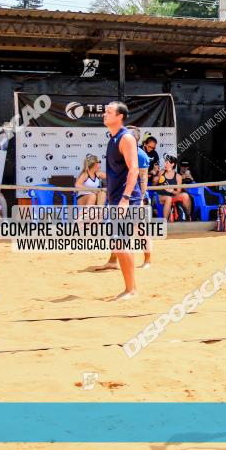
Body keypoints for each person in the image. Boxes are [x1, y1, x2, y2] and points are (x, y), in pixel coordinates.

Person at [102, 101, 142, 301]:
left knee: (121, 242)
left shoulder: (125, 138)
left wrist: (125, 199)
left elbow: (134, 169)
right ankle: (130, 288)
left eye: (109, 112)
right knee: (120, 243)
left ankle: (131, 290)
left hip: (125, 198)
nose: (104, 114)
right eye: (105, 111)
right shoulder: (113, 139)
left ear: (120, 116)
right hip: (116, 198)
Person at [157, 154, 191, 221]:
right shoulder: (161, 172)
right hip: (161, 197)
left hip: (172, 197)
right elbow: (156, 185)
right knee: (168, 198)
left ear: (172, 164)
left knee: (185, 196)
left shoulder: (178, 176)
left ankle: (188, 217)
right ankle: (165, 222)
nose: (165, 164)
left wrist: (171, 190)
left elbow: (178, 192)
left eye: (167, 163)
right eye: (165, 162)